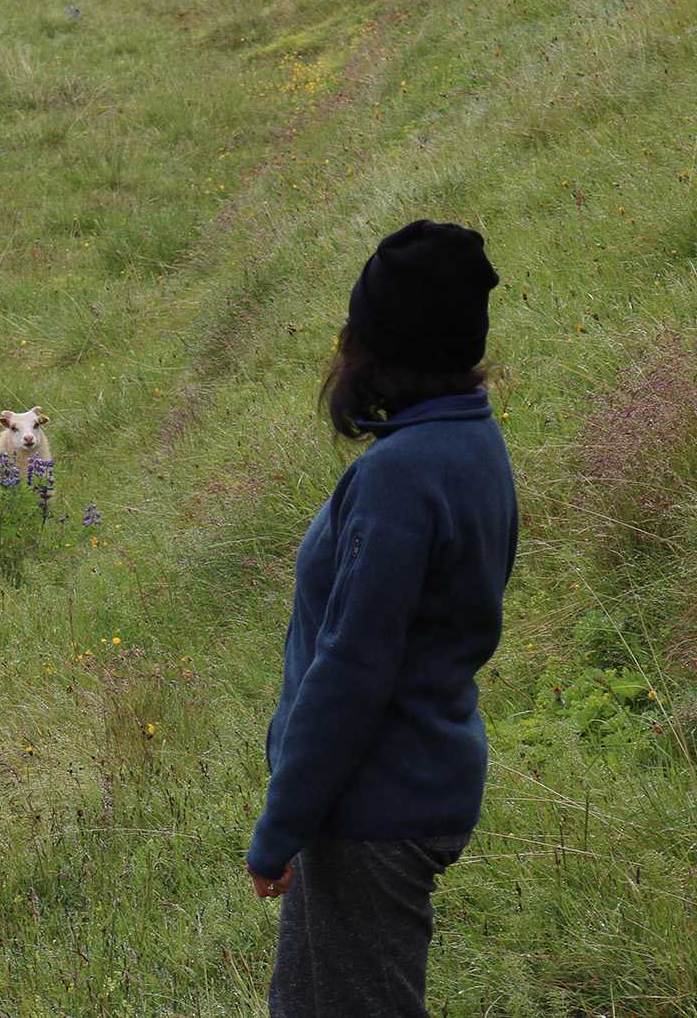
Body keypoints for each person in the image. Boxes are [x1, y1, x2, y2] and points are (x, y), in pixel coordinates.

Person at [245, 220, 519, 1017]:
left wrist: (281, 826)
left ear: (377, 345)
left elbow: (354, 669)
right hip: (407, 783)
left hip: (373, 809)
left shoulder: (402, 478)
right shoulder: (472, 443)